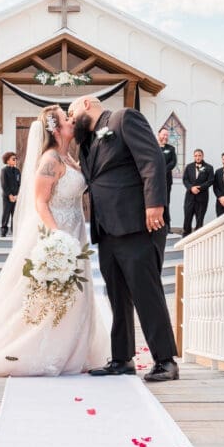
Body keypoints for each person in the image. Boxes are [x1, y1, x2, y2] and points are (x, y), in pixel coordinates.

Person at [0, 106, 108, 376]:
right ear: (56, 129)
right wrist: (57, 238)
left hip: (75, 231)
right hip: (56, 233)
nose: (72, 120)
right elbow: (40, 202)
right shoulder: (50, 160)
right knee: (46, 295)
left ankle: (72, 347)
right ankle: (39, 348)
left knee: (73, 294)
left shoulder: (70, 158)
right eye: (66, 119)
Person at [69, 95, 179, 382]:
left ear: (87, 104)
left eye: (71, 113)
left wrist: (155, 204)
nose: (71, 120)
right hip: (106, 229)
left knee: (146, 292)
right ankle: (122, 358)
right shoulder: (86, 143)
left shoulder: (123, 118)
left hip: (137, 223)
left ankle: (165, 361)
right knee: (116, 295)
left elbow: (152, 159)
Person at [182, 149, 214, 236]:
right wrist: (191, 188)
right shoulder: (189, 167)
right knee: (187, 218)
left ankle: (197, 238)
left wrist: (200, 188)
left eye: (199, 155)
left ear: (202, 156)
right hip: (190, 197)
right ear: (194, 156)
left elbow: (210, 181)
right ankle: (185, 237)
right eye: (196, 155)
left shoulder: (209, 167)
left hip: (202, 197)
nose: (197, 157)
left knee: (200, 219)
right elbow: (185, 179)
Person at [158, 128, 177, 232]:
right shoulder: (153, 147)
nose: (165, 137)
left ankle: (167, 226)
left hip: (166, 181)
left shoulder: (171, 148)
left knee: (166, 202)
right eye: (163, 135)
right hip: (155, 181)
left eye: (167, 135)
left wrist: (163, 170)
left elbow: (173, 162)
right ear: (159, 134)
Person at [0, 151, 21, 237]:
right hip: (7, 196)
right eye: (13, 159)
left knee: (15, 214)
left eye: (16, 159)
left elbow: (19, 183)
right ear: (7, 161)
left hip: (16, 196)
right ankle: (3, 230)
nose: (15, 160)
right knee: (6, 213)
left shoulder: (17, 171)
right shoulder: (4, 171)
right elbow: (4, 184)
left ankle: (14, 230)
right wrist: (9, 195)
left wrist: (17, 195)